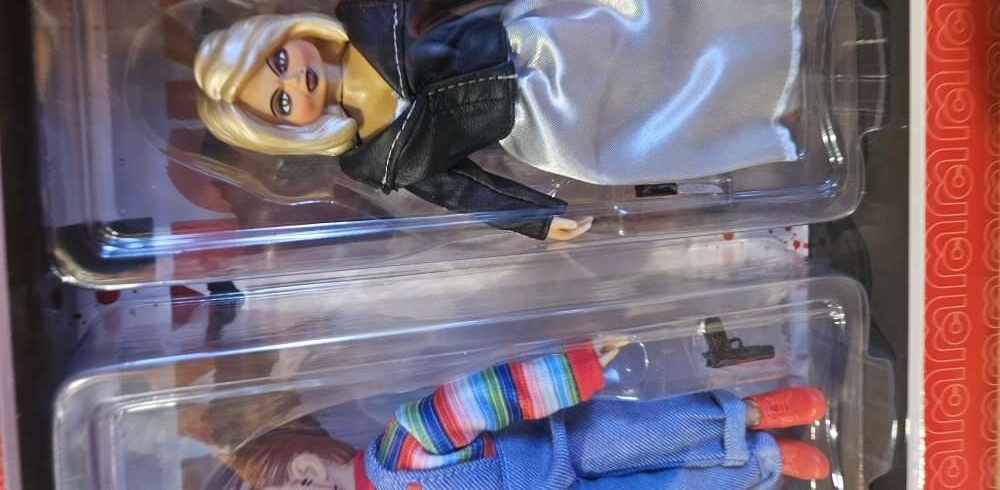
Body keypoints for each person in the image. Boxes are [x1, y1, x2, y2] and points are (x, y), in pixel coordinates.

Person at [194, 0, 803, 240]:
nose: (295, 82)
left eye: (279, 63)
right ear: (284, 131)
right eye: (280, 103)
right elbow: (463, 190)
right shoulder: (379, 157)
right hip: (546, 127)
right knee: (654, 124)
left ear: (282, 35)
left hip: (540, 37)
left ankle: (767, 21)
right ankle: (766, 112)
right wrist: (533, 217)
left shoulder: (375, 16)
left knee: (656, 20)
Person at [204, 338, 829, 490]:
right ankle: (766, 463)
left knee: (650, 431)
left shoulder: (400, 449)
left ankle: (755, 413)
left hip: (561, 445)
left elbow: (474, 399)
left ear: (307, 471)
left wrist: (571, 371)